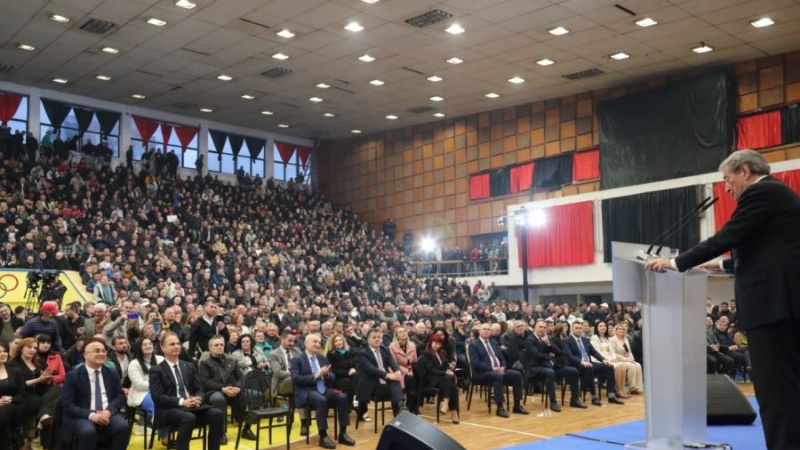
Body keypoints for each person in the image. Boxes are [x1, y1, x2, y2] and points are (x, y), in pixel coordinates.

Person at [645, 150, 800, 450]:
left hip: (772, 307)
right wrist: (716, 265)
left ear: (744, 171)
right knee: (788, 388)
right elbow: (769, 252)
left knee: (775, 392)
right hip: (785, 305)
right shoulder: (779, 195)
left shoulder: (762, 192)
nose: (727, 188)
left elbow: (728, 235)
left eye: (727, 179)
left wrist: (678, 263)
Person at [149, 332, 224, 450]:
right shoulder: (156, 370)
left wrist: (197, 398)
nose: (176, 346)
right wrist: (182, 402)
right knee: (188, 418)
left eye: (178, 343)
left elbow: (199, 389)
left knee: (217, 414)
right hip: (169, 409)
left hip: (192, 407)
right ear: (163, 348)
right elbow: (157, 397)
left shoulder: (189, 366)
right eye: (172, 344)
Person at [60, 338, 131, 450]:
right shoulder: (73, 375)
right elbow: (67, 404)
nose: (101, 354)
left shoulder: (111, 372)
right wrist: (91, 415)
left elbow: (120, 396)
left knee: (122, 427)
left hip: (107, 413)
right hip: (83, 415)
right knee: (87, 431)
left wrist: (109, 411)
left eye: (103, 351)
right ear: (86, 355)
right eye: (97, 351)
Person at [290, 333, 356, 449]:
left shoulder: (322, 358)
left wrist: (326, 375)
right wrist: (316, 375)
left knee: (343, 397)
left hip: (323, 389)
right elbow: (296, 379)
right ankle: (323, 436)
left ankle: (343, 433)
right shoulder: (297, 359)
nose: (317, 344)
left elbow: (332, 376)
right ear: (306, 343)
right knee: (321, 400)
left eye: (319, 342)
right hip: (307, 391)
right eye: (314, 342)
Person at [199, 335, 256, 443]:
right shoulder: (205, 363)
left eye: (221, 345)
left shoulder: (232, 360)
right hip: (215, 391)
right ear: (210, 347)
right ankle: (220, 432)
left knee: (256, 395)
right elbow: (205, 382)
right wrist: (223, 388)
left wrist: (238, 388)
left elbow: (240, 377)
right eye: (216, 345)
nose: (219, 347)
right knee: (218, 399)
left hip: (234, 390)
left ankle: (247, 428)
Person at [468, 323, 528, 418]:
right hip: (483, 373)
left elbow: (502, 358)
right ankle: (500, 407)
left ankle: (517, 405)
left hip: (498, 370)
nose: (486, 331)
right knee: (498, 377)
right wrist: (492, 368)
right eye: (484, 329)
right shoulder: (474, 345)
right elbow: (475, 363)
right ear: (480, 331)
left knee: (517, 374)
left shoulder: (493, 343)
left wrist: (503, 367)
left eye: (488, 329)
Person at [524, 319, 584, 411]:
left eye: (544, 327)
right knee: (550, 372)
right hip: (536, 368)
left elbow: (559, 352)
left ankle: (574, 400)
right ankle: (553, 402)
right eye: (540, 327)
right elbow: (536, 355)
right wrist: (549, 356)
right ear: (535, 327)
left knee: (573, 371)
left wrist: (548, 343)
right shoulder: (530, 340)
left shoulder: (546, 338)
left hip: (551, 366)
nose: (542, 329)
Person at [561, 319, 625, 406]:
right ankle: (594, 396)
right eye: (576, 328)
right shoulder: (567, 340)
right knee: (589, 367)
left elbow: (594, 352)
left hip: (588, 363)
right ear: (572, 329)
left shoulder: (585, 339)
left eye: (580, 328)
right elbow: (569, 356)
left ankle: (611, 395)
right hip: (575, 365)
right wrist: (581, 361)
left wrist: (603, 360)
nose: (579, 330)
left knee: (609, 366)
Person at [357, 328, 406, 418]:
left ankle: (399, 407)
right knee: (395, 387)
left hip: (385, 382)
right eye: (374, 337)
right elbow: (370, 369)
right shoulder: (362, 353)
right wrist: (388, 375)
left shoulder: (384, 349)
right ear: (368, 340)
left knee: (396, 382)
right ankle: (399, 412)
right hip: (372, 385)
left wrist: (398, 371)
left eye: (379, 337)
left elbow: (392, 361)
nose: (377, 339)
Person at [127, 337, 166, 438]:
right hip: (142, 394)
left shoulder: (161, 359)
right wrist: (158, 386)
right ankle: (165, 436)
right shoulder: (134, 364)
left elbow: (167, 377)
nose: (148, 346)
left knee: (172, 402)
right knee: (157, 404)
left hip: (161, 392)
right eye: (144, 345)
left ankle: (171, 430)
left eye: (150, 343)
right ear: (139, 348)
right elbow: (140, 385)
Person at [419, 333, 459, 423]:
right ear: (431, 342)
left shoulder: (443, 353)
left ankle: (446, 404)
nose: (437, 346)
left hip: (443, 379)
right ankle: (453, 411)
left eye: (439, 344)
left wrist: (449, 370)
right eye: (435, 343)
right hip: (432, 379)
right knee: (451, 382)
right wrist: (445, 372)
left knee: (451, 383)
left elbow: (446, 365)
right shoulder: (427, 354)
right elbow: (431, 370)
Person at [0, 341, 26, 450]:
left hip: (12, 405)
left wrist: (11, 399)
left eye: (5, 351)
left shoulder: (15, 371)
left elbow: (21, 393)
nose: (3, 354)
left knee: (2, 415)